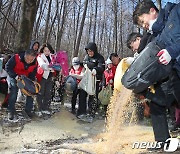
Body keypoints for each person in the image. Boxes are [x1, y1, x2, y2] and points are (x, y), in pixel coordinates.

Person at [133, 0, 180, 150]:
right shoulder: (155, 34)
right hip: (168, 74)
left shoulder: (175, 12)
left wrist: (172, 52)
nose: (143, 26)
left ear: (152, 11)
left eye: (142, 21)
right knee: (157, 104)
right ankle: (162, 143)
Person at [5, 49, 38, 120]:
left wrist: (32, 82)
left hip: (25, 78)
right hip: (14, 76)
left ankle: (28, 110)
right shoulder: (16, 57)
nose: (29, 61)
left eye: (31, 60)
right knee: (13, 91)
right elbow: (7, 67)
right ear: (25, 55)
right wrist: (15, 76)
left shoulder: (35, 63)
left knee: (31, 92)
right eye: (27, 59)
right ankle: (11, 110)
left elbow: (32, 74)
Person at [77, 42, 105, 122]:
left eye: (91, 51)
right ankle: (81, 112)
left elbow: (101, 67)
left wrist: (95, 69)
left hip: (95, 80)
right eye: (88, 51)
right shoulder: (86, 57)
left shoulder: (99, 58)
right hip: (86, 79)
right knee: (82, 95)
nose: (90, 53)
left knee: (92, 97)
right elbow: (84, 64)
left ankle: (91, 113)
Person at [36, 43, 55, 115]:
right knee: (41, 92)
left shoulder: (52, 57)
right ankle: (38, 108)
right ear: (42, 51)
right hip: (42, 76)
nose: (47, 52)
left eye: (48, 51)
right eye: (45, 51)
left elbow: (57, 64)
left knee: (48, 93)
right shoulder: (40, 57)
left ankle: (46, 107)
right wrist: (50, 67)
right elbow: (42, 65)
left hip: (50, 77)